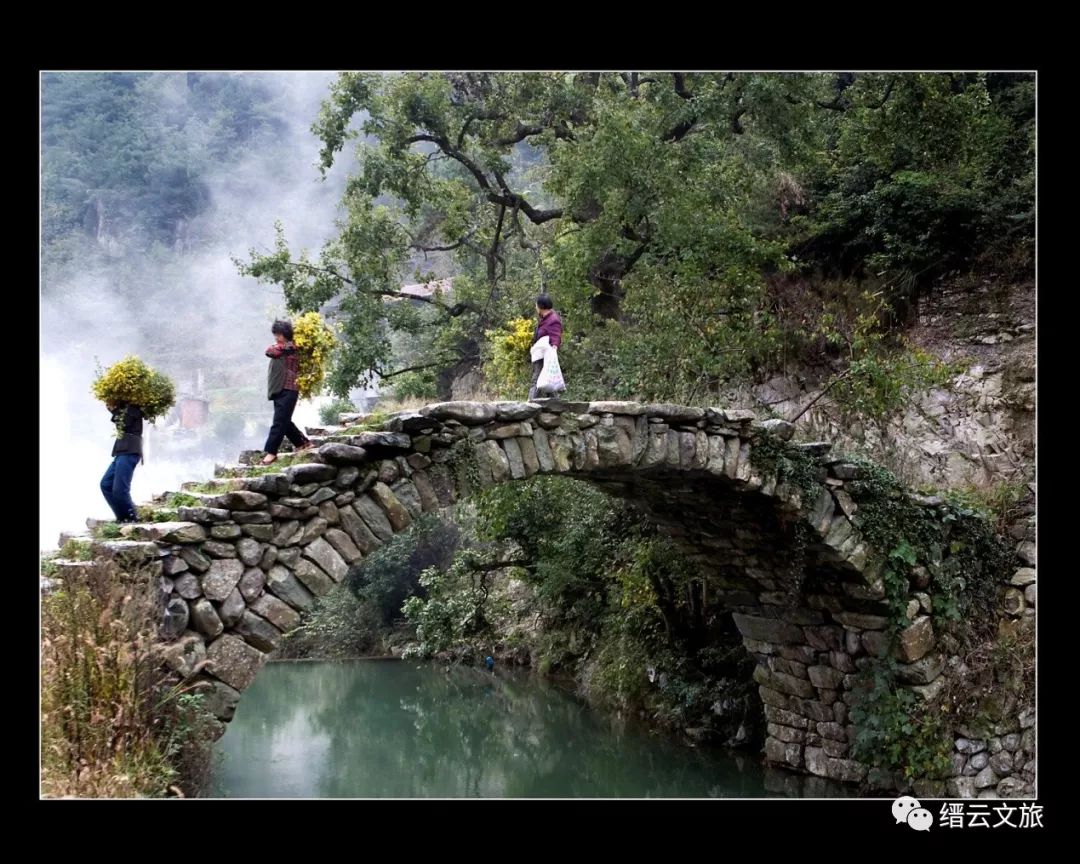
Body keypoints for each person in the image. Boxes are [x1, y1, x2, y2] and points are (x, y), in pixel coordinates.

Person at [262, 319, 314, 465]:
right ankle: (303, 443)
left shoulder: (292, 347)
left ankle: (271, 452)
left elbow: (270, 351)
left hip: (289, 389)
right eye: (275, 334)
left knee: (279, 422)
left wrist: (281, 345)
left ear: (286, 334)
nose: (276, 337)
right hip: (280, 389)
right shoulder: (284, 347)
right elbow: (270, 351)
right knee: (284, 420)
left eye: (279, 334)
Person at [100, 401, 143, 523]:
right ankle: (122, 517)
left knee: (120, 489)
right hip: (121, 452)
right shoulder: (125, 407)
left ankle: (132, 518)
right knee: (106, 485)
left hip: (130, 451)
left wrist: (114, 410)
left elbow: (125, 423)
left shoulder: (134, 406)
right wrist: (114, 409)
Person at [528, 293, 562, 400]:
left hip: (546, 355)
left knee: (537, 379)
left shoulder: (553, 319)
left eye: (536, 305)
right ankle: (556, 405)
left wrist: (554, 347)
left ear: (541, 306)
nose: (536, 307)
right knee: (548, 380)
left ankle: (530, 404)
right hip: (541, 353)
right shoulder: (545, 318)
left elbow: (556, 335)